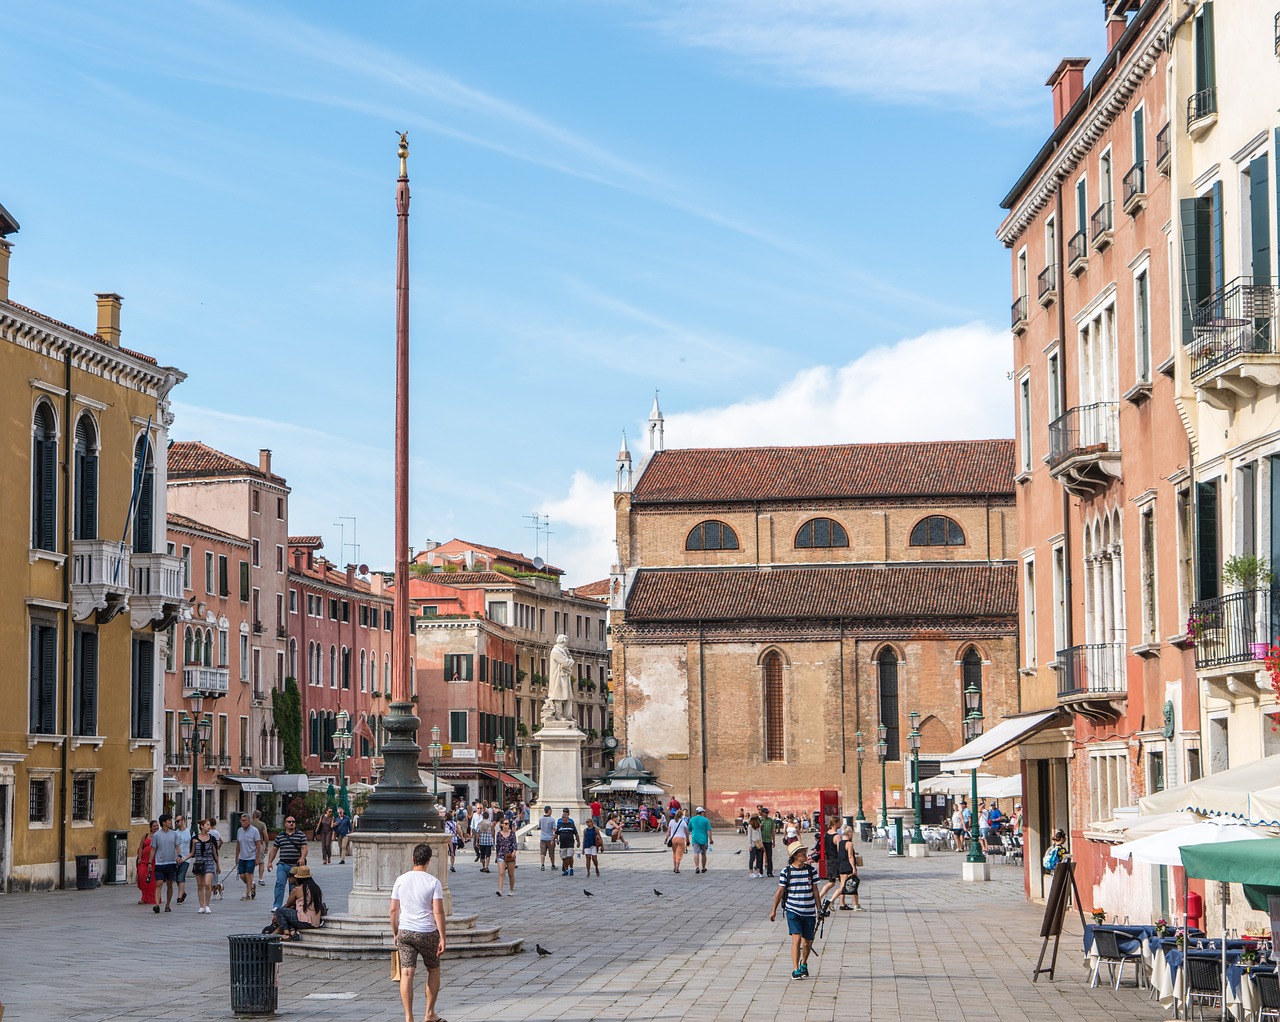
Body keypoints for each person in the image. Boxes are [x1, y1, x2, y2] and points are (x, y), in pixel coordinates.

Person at [390, 843, 447, 1022]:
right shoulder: (433, 882)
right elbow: (438, 911)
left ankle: (408, 1017)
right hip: (427, 932)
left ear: (413, 859)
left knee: (406, 973)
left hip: (405, 932)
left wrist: (395, 933)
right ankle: (429, 1013)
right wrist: (443, 937)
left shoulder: (400, 880)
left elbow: (393, 910)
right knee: (433, 969)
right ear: (428, 861)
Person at [770, 841, 821, 980]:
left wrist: (819, 908)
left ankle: (803, 963)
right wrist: (773, 910)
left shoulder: (811, 870)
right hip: (793, 909)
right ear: (794, 855)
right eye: (801, 852)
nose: (804, 854)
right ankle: (796, 969)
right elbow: (780, 891)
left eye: (804, 852)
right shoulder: (786, 872)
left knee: (807, 942)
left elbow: (815, 891)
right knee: (797, 938)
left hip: (809, 910)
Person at [817, 819, 862, 912]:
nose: (839, 824)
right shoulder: (838, 837)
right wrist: (853, 866)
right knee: (841, 884)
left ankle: (843, 903)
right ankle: (824, 899)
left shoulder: (827, 834)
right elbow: (843, 853)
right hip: (838, 863)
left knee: (843, 884)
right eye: (838, 822)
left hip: (830, 860)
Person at [266, 814, 308, 911]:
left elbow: (304, 848)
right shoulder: (280, 836)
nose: (291, 823)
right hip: (283, 864)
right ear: (285, 824)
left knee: (293, 886)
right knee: (280, 883)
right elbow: (274, 849)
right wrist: (269, 862)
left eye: (293, 822)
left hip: (295, 865)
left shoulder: (300, 835)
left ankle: (292, 905)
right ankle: (277, 905)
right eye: (289, 822)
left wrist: (302, 858)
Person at [272, 864, 324, 941]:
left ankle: (286, 933)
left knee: (280, 910)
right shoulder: (316, 888)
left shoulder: (298, 890)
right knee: (290, 913)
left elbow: (287, 905)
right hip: (315, 922)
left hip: (305, 921)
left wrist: (276, 916)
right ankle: (292, 931)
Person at [151, 813, 182, 913]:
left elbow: (177, 846)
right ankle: (156, 905)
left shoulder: (174, 834)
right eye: (169, 820)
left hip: (171, 863)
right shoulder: (156, 835)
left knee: (169, 884)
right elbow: (153, 849)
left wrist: (179, 856)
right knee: (159, 883)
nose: (171, 822)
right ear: (164, 823)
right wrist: (149, 863)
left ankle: (168, 905)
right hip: (160, 863)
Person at [190, 817, 220, 914]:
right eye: (207, 825)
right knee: (200, 885)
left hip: (209, 863)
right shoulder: (194, 839)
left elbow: (215, 854)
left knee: (207, 883)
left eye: (209, 825)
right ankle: (201, 906)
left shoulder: (212, 839)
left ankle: (207, 905)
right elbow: (192, 853)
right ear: (202, 826)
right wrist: (182, 859)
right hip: (199, 863)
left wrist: (218, 865)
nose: (209, 827)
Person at [235, 813, 262, 901]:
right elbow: (238, 844)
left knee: (248, 874)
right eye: (241, 821)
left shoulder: (254, 831)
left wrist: (257, 858)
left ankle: (247, 894)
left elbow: (258, 845)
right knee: (242, 875)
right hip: (242, 857)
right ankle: (252, 885)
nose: (242, 822)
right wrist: (236, 857)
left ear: (249, 821)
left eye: (244, 821)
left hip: (251, 856)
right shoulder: (239, 830)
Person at [136, 820, 158, 907]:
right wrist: (140, 857)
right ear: (151, 828)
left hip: (154, 861)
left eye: (157, 826)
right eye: (154, 826)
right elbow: (141, 847)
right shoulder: (145, 836)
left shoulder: (159, 836)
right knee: (142, 877)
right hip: (144, 861)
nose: (156, 827)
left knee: (152, 880)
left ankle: (151, 898)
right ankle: (144, 896)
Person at [173, 814, 192, 905]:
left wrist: (185, 858)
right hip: (176, 859)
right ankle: (183, 892)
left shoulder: (190, 832)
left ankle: (179, 896)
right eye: (175, 821)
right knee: (177, 878)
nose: (176, 823)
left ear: (183, 821)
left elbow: (193, 847)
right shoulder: (175, 833)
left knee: (181, 876)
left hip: (186, 858)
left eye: (178, 821)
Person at [495, 819, 518, 894]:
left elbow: (514, 844)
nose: (507, 825)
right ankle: (500, 890)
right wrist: (496, 856)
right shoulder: (499, 834)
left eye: (508, 823)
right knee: (501, 873)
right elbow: (497, 845)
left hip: (510, 855)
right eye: (505, 823)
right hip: (501, 854)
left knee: (511, 874)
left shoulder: (512, 834)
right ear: (501, 824)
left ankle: (511, 890)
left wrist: (514, 852)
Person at [555, 808, 580, 876]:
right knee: (564, 857)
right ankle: (566, 869)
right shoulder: (560, 824)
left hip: (570, 843)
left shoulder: (571, 824)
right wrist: (554, 840)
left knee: (570, 856)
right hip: (563, 844)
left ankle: (571, 868)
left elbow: (576, 833)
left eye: (564, 817)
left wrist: (578, 842)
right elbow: (556, 833)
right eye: (562, 817)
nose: (563, 818)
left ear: (567, 817)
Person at [689, 806, 713, 874]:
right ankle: (703, 868)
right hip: (704, 839)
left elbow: (689, 828)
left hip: (695, 838)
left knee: (696, 853)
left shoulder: (692, 819)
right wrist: (711, 839)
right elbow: (709, 831)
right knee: (703, 854)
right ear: (701, 812)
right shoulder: (705, 820)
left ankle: (697, 867)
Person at [667, 809, 690, 874]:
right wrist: (688, 840)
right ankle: (677, 868)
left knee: (674, 853)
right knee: (679, 854)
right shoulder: (683, 822)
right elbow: (686, 832)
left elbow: (668, 831)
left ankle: (674, 867)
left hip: (673, 839)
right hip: (681, 839)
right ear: (681, 815)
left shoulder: (671, 821)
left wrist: (666, 839)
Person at [251, 810, 269, 887]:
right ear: (259, 816)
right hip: (260, 844)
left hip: (250, 845)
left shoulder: (249, 823)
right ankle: (260, 879)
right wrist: (266, 846)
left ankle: (251, 879)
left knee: (251, 862)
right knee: (261, 862)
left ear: (253, 815)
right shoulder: (262, 824)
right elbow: (266, 836)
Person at [538, 806, 557, 871]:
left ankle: (542, 865)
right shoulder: (552, 819)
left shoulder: (541, 819)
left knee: (542, 853)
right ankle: (552, 865)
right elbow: (554, 830)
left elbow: (539, 827)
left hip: (543, 838)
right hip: (550, 838)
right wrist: (555, 839)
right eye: (551, 810)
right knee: (551, 853)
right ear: (548, 811)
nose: (551, 811)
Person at [759, 808, 776, 877]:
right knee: (760, 857)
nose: (767, 814)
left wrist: (774, 841)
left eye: (767, 813)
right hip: (761, 841)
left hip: (768, 840)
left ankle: (769, 872)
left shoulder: (770, 820)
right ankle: (760, 872)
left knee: (769, 857)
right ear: (762, 813)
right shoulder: (759, 820)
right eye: (765, 813)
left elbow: (773, 831)